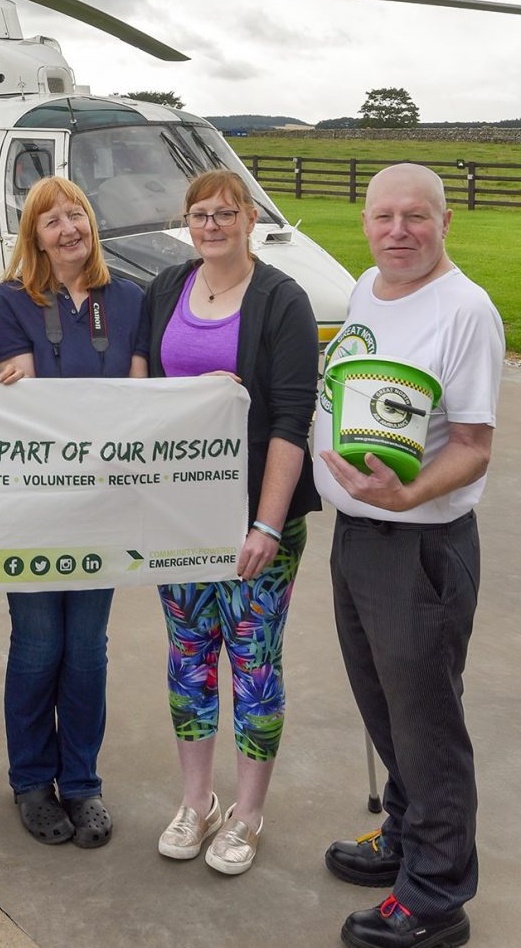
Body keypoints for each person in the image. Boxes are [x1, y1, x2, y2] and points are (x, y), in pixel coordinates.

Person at [314, 164, 504, 948]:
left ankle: (435, 893)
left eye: (415, 217)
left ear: (445, 221)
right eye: (384, 216)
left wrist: (411, 494)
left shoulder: (466, 311)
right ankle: (405, 833)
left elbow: (474, 445)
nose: (398, 231)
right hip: (360, 535)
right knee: (382, 702)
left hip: (418, 544)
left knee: (427, 722)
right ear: (365, 223)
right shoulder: (368, 287)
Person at [145, 169, 320, 875]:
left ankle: (247, 814)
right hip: (180, 521)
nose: (211, 224)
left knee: (252, 667)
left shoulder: (283, 300)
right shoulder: (167, 289)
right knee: (189, 663)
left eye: (225, 213)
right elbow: (140, 397)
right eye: (199, 214)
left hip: (254, 522)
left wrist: (267, 526)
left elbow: (290, 419)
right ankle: (197, 801)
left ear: (250, 218)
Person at [0, 176, 149, 848]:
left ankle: (81, 782)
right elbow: (28, 407)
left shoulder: (132, 299)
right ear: (35, 236)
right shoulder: (11, 302)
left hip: (103, 507)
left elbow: (140, 400)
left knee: (86, 652)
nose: (67, 228)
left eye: (75, 214)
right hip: (34, 509)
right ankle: (31, 779)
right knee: (38, 646)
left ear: (92, 224)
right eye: (50, 220)